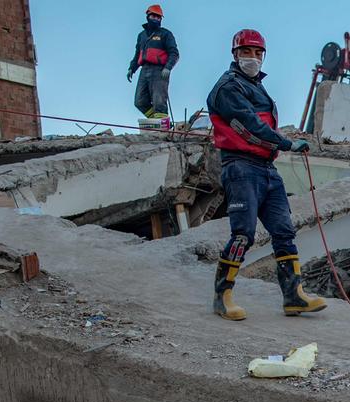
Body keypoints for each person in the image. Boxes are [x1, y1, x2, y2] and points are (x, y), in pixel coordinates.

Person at [207, 29, 326, 321]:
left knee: (284, 231)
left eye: (258, 53)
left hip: (266, 170)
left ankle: (293, 296)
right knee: (243, 235)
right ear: (235, 54)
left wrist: (280, 143)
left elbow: (262, 127)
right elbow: (248, 127)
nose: (253, 58)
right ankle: (223, 298)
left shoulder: (258, 88)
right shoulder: (227, 88)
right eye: (247, 52)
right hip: (241, 168)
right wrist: (285, 142)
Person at [127, 5, 178, 122]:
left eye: (158, 17)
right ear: (148, 16)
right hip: (144, 69)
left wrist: (168, 67)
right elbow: (137, 54)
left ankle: (162, 126)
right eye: (153, 16)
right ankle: (155, 121)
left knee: (159, 101)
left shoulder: (165, 34)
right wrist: (132, 68)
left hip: (159, 70)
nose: (156, 18)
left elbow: (174, 53)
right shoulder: (142, 36)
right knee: (139, 101)